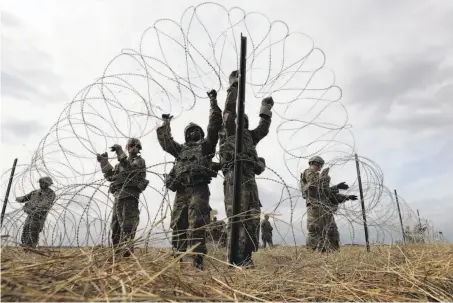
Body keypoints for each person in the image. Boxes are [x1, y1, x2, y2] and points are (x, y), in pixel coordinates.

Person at [157, 89, 222, 270]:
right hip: (181, 192)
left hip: (198, 190)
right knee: (178, 225)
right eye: (190, 131)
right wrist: (165, 123)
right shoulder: (181, 151)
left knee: (197, 225)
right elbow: (166, 143)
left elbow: (214, 126)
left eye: (196, 130)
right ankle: (178, 261)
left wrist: (213, 102)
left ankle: (198, 262)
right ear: (186, 135)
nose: (194, 132)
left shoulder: (206, 148)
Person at [219, 70, 273, 267]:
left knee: (252, 218)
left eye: (245, 120)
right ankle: (234, 259)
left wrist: (265, 109)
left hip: (250, 179)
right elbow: (229, 112)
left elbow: (263, 129)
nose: (241, 122)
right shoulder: (230, 132)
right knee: (236, 218)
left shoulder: (250, 136)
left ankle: (247, 258)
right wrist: (234, 87)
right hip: (234, 177)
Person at [96, 138, 148, 257]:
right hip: (119, 197)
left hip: (130, 197)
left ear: (139, 148)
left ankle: (126, 255)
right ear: (127, 147)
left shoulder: (139, 161)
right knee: (116, 226)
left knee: (127, 226)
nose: (133, 147)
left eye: (136, 145)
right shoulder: (120, 164)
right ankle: (116, 254)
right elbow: (111, 176)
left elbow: (130, 170)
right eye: (131, 145)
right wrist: (104, 162)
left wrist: (119, 152)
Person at [300, 156, 357, 252]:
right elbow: (314, 185)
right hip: (315, 207)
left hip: (325, 207)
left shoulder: (319, 176)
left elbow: (327, 192)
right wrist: (325, 178)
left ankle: (332, 251)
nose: (320, 167)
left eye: (321, 165)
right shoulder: (308, 172)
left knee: (331, 229)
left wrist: (346, 196)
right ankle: (312, 252)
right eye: (318, 165)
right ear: (312, 163)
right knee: (315, 230)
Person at [16, 176, 56, 249]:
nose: (42, 184)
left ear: (48, 184)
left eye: (44, 183)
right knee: (26, 229)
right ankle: (25, 247)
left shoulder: (50, 194)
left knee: (33, 231)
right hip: (30, 216)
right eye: (41, 182)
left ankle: (31, 248)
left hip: (38, 217)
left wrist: (30, 209)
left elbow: (44, 205)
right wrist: (18, 198)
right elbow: (25, 198)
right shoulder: (34, 192)